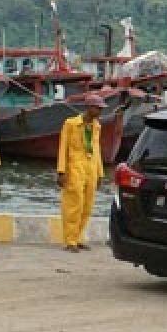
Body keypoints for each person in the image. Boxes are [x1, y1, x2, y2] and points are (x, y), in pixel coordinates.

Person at [56, 95, 106, 252]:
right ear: (89, 107)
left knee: (87, 204)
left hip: (91, 168)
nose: (99, 111)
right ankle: (70, 240)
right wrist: (61, 171)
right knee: (73, 203)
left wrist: (100, 173)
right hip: (75, 167)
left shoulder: (97, 126)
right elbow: (63, 148)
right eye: (97, 108)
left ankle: (78, 237)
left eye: (100, 109)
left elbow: (97, 150)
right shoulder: (71, 124)